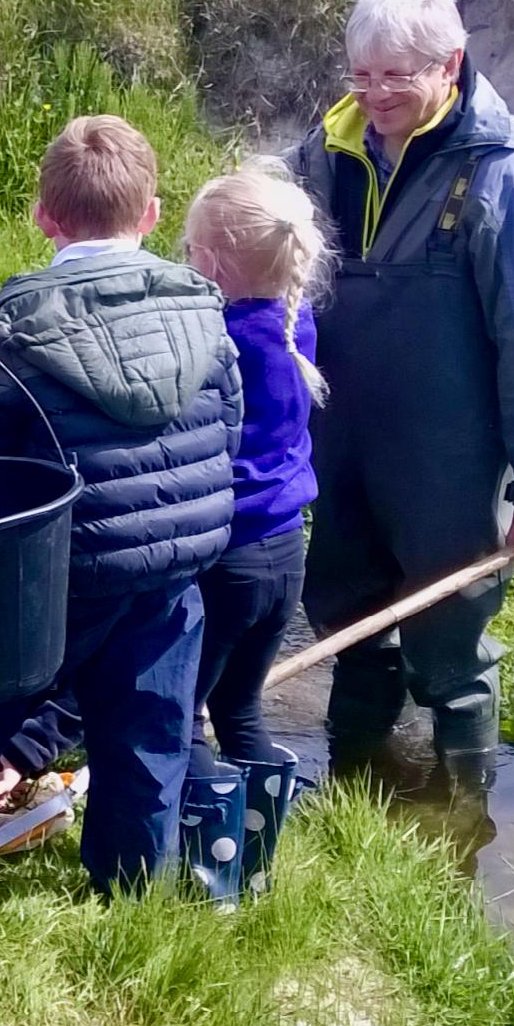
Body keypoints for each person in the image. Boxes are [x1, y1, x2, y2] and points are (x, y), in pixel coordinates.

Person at [0, 115, 242, 895]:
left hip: (65, 560)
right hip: (178, 559)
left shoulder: (15, 325)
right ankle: (131, 882)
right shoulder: (204, 311)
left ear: (43, 217)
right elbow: (228, 423)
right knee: (149, 723)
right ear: (150, 214)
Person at [290, 0, 514, 771]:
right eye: (361, 74)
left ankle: (462, 819)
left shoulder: (512, 180)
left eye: (397, 75)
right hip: (340, 448)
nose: (376, 94)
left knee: (448, 645)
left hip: (446, 463)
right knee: (348, 621)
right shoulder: (320, 157)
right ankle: (356, 783)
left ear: (450, 63)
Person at [180, 160, 329, 899]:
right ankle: (256, 860)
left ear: (207, 262)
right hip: (283, 554)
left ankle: (213, 887)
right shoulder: (295, 318)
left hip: (227, 557)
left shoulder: (219, 341)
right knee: (238, 706)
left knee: (180, 714)